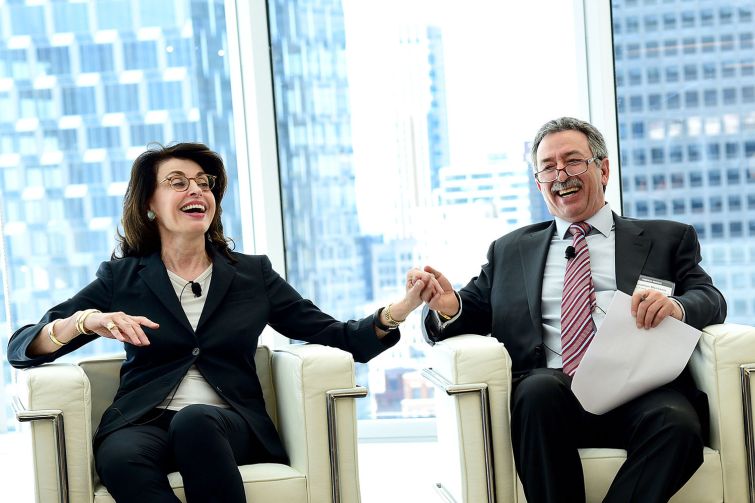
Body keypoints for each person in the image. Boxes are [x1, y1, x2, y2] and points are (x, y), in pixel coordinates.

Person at [7, 142, 441, 503]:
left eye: (203, 183)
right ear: (149, 206)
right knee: (120, 456)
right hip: (143, 422)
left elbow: (343, 338)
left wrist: (401, 308)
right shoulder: (123, 277)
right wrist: (84, 321)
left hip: (227, 423)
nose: (196, 189)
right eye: (177, 182)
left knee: (195, 420)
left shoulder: (252, 274)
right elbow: (21, 348)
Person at [411, 117, 726, 503]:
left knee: (678, 425)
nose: (561, 174)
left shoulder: (667, 238)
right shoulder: (510, 250)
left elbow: (709, 297)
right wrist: (448, 307)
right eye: (548, 167)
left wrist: (675, 307)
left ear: (603, 169)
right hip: (552, 399)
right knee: (537, 389)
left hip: (640, 390)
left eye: (573, 161)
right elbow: (467, 310)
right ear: (538, 181)